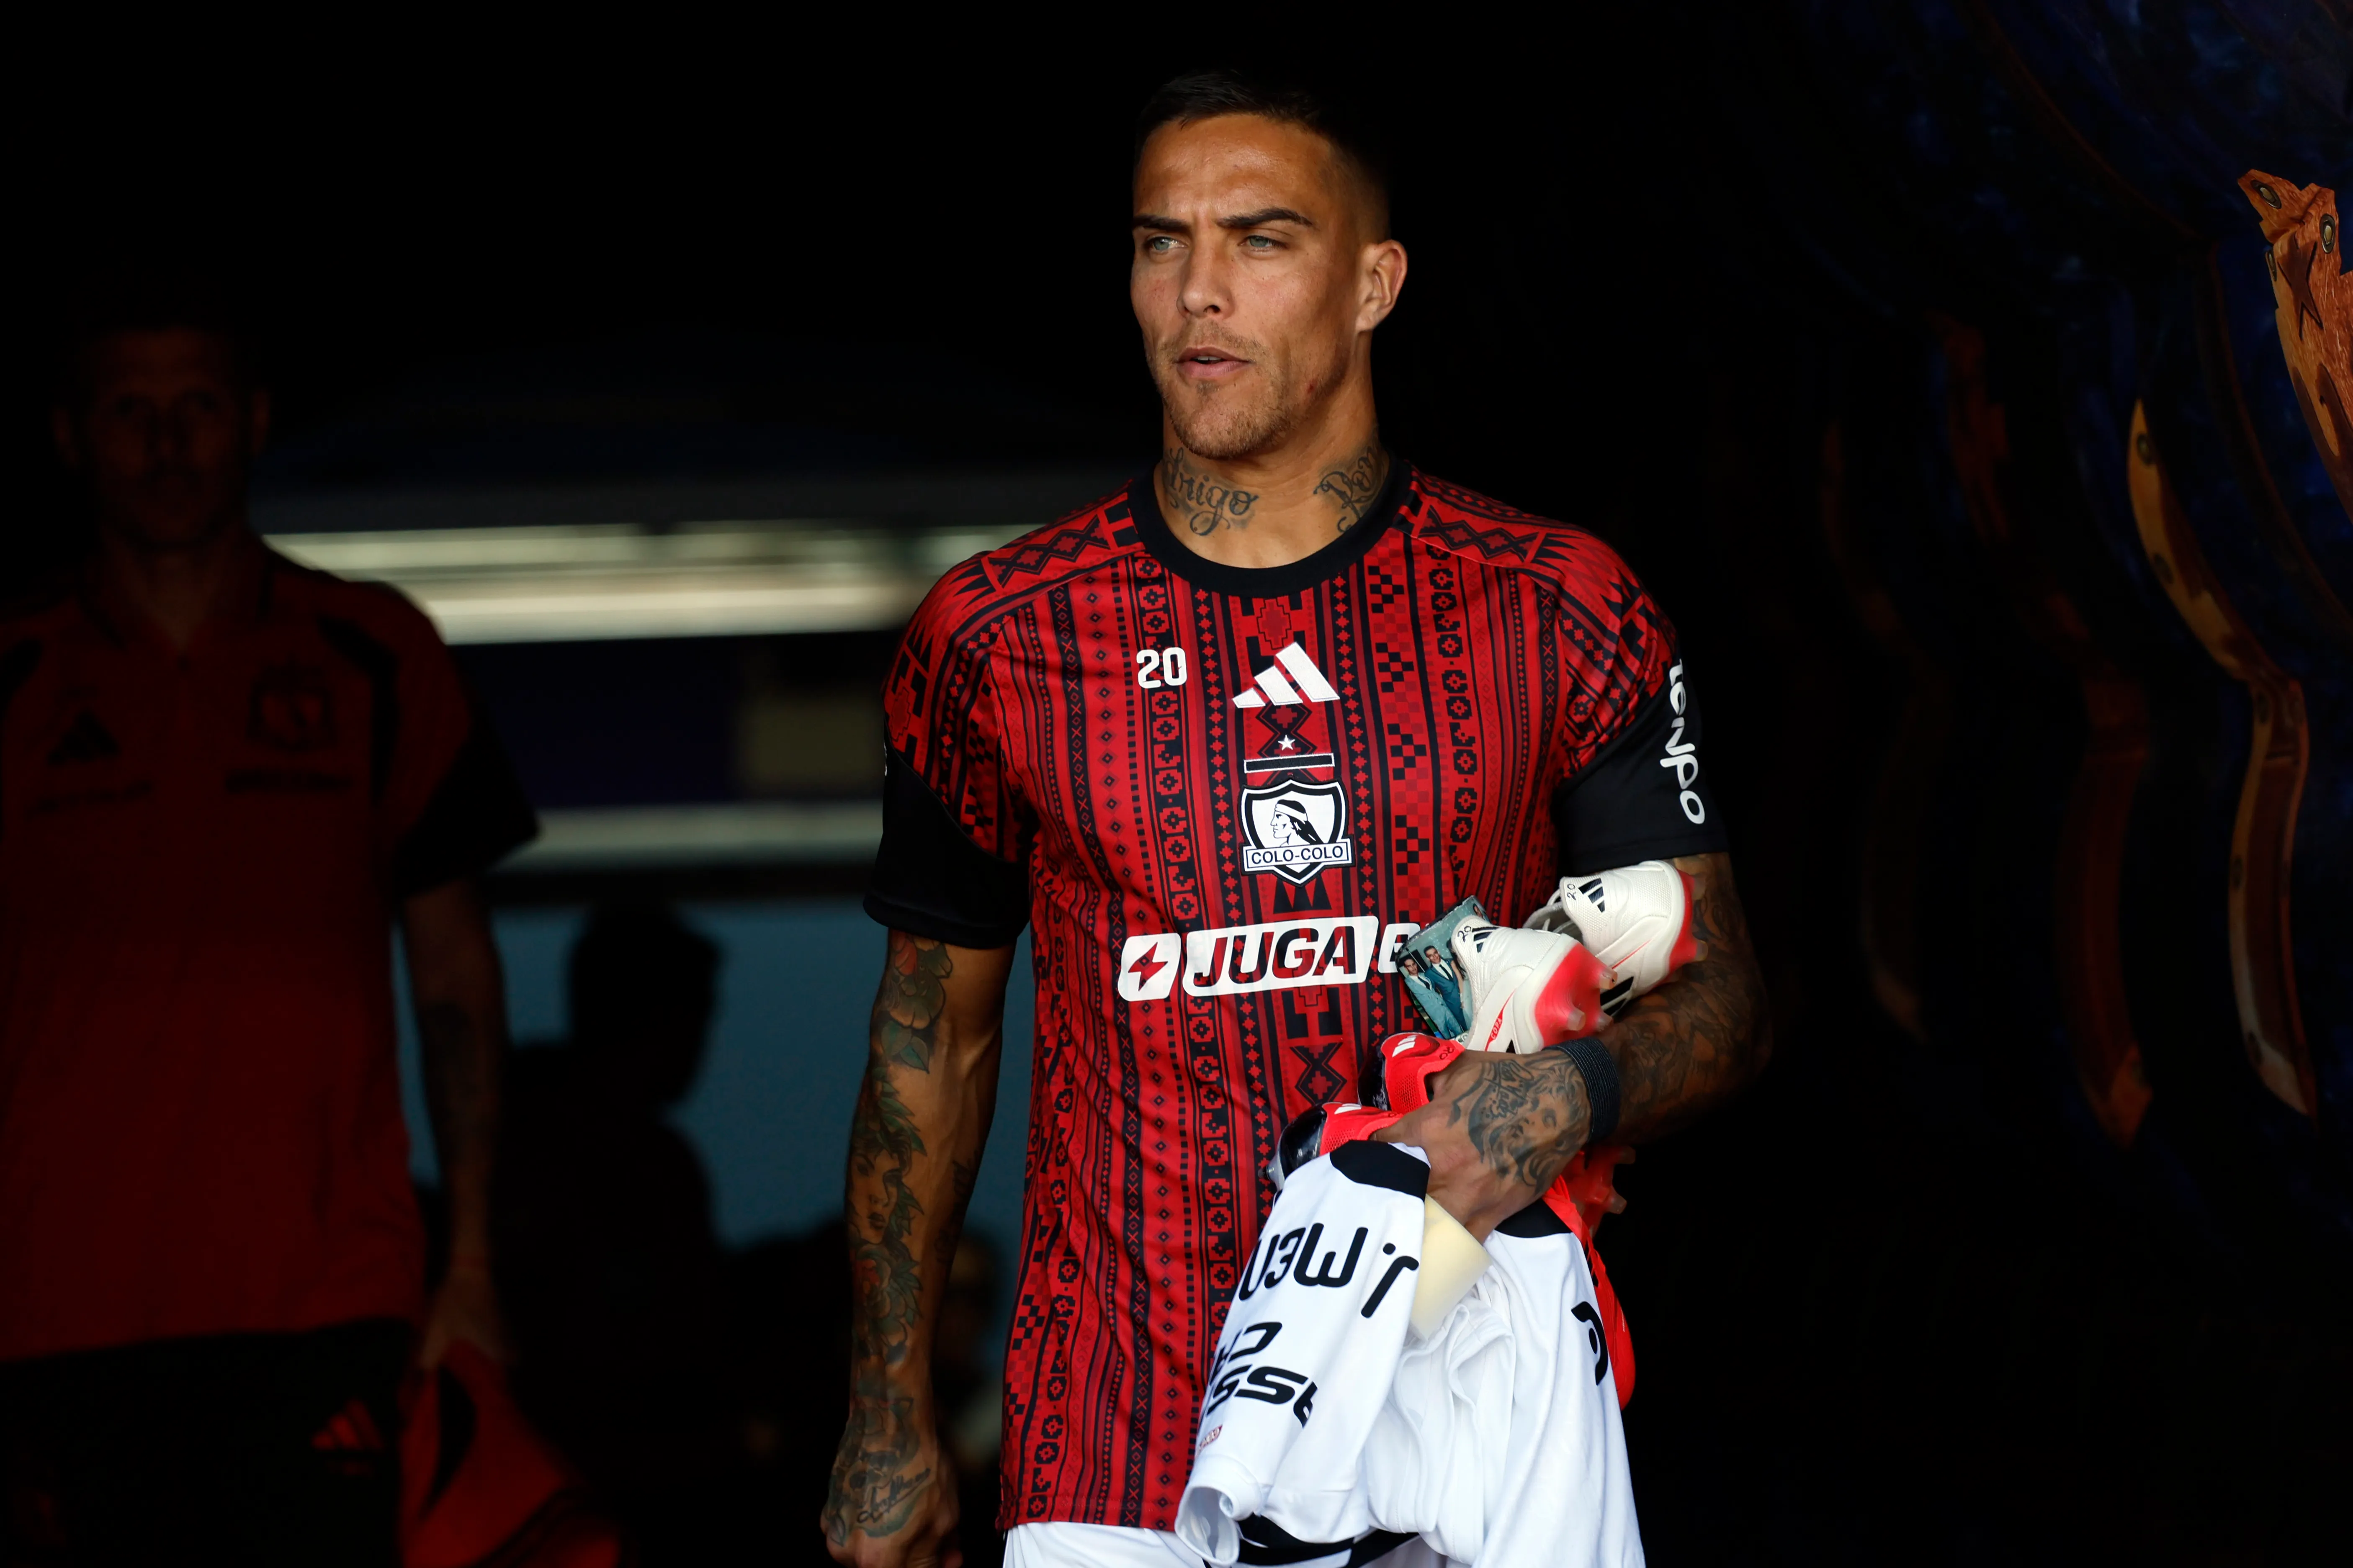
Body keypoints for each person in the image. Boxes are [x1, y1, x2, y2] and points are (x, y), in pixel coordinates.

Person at [826, 71, 1771, 1568]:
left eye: (1261, 239)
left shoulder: (1558, 607)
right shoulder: (997, 638)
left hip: (1458, 1428)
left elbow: (1725, 996)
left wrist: (1564, 1097)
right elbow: (930, 1041)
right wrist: (885, 1414)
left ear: (1374, 282)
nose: (1199, 291)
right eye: (1161, 243)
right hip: (1112, 1447)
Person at [0, 291, 537, 1563]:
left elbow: (455, 970)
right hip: (45, 1318)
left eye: (195, 407)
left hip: (321, 1308)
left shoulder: (374, 653)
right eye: (132, 411)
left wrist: (467, 1266)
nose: (167, 443)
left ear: (250, 422)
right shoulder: (14, 670)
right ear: (72, 435)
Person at [494, 903, 739, 1560]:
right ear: (643, 1013)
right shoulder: (549, 1152)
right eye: (695, 1012)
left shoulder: (648, 1158)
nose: (703, 1038)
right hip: (577, 1489)